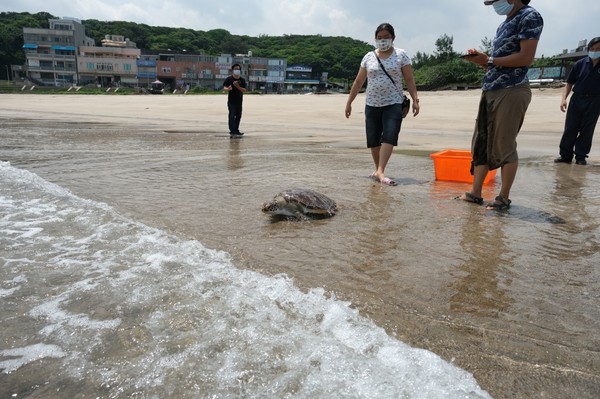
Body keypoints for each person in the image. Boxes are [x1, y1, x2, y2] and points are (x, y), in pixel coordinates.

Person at [457, 0, 543, 210]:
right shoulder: (505, 22)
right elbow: (497, 61)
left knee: (504, 145)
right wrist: (482, 60)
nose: (493, 4)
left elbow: (526, 57)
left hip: (512, 89)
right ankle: (475, 194)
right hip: (492, 90)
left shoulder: (529, 16)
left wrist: (490, 60)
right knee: (481, 143)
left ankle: (503, 198)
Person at [345, 22, 420, 186]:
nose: (383, 40)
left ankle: (381, 171)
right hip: (372, 103)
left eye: (386, 37)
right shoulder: (368, 57)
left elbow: (409, 79)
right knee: (373, 139)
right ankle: (378, 170)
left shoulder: (401, 55)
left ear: (393, 38)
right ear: (375, 39)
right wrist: (349, 102)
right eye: (379, 38)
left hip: (393, 102)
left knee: (389, 135)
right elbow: (359, 82)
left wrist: (415, 100)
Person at [554, 36, 600, 166]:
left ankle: (581, 156)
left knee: (587, 129)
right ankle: (565, 155)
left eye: (598, 49)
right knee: (570, 128)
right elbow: (569, 83)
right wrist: (563, 99)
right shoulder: (580, 64)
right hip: (577, 99)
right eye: (592, 48)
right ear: (589, 49)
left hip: (595, 100)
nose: (595, 51)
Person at [223, 64, 247, 138]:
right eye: (236, 69)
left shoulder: (242, 80)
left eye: (238, 69)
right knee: (232, 115)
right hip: (231, 101)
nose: (237, 70)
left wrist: (237, 86)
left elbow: (244, 90)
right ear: (233, 70)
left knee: (238, 116)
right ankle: (232, 131)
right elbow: (224, 88)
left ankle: (236, 130)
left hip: (239, 101)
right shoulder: (229, 79)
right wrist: (228, 89)